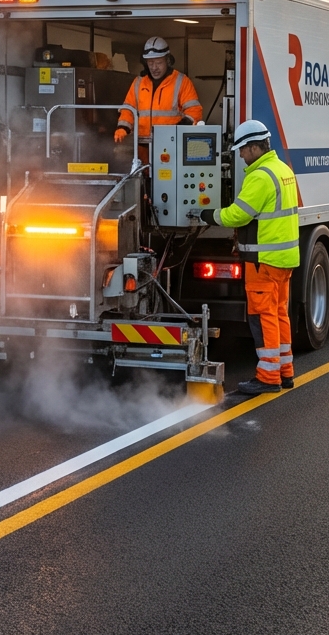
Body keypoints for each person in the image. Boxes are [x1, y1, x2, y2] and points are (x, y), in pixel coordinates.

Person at [200, 119, 300, 395]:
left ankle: (268, 377)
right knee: (280, 313)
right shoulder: (282, 169)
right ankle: (284, 371)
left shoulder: (259, 176)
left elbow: (238, 214)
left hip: (263, 261)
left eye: (243, 150)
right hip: (283, 259)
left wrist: (208, 215)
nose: (241, 155)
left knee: (262, 315)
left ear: (256, 147)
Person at [114, 36, 203, 155]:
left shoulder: (182, 81)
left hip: (171, 145)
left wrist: (177, 130)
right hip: (142, 146)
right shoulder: (138, 83)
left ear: (168, 60)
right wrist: (123, 128)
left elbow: (194, 111)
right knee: (143, 173)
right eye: (150, 63)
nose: (154, 67)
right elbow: (128, 109)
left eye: (158, 62)